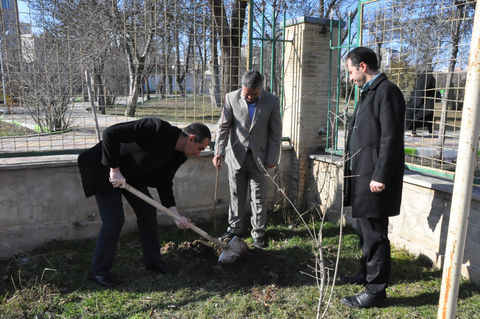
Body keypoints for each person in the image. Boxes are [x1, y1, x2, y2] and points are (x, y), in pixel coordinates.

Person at [78, 118, 211, 287]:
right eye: (200, 148)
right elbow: (110, 133)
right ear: (191, 138)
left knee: (147, 211)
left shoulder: (179, 156)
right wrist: (114, 169)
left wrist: (175, 215)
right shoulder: (156, 128)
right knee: (114, 220)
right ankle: (99, 272)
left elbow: (164, 183)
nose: (199, 154)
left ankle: (153, 261)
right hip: (104, 168)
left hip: (131, 175)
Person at [341, 47, 405, 308]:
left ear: (363, 67)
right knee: (366, 231)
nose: (351, 77)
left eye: (351, 71)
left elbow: (391, 139)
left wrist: (379, 175)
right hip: (363, 174)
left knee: (376, 234)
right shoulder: (369, 92)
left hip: (376, 178)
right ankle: (367, 274)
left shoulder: (387, 92)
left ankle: (376, 291)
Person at [212, 69, 282, 249]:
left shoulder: (272, 101)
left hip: (260, 159)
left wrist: (273, 157)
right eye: (246, 93)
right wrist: (218, 152)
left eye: (254, 94)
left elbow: (276, 132)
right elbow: (223, 127)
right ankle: (235, 228)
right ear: (242, 88)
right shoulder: (231, 98)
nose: (249, 97)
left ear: (261, 89)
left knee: (258, 197)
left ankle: (258, 232)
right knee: (236, 194)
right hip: (235, 157)